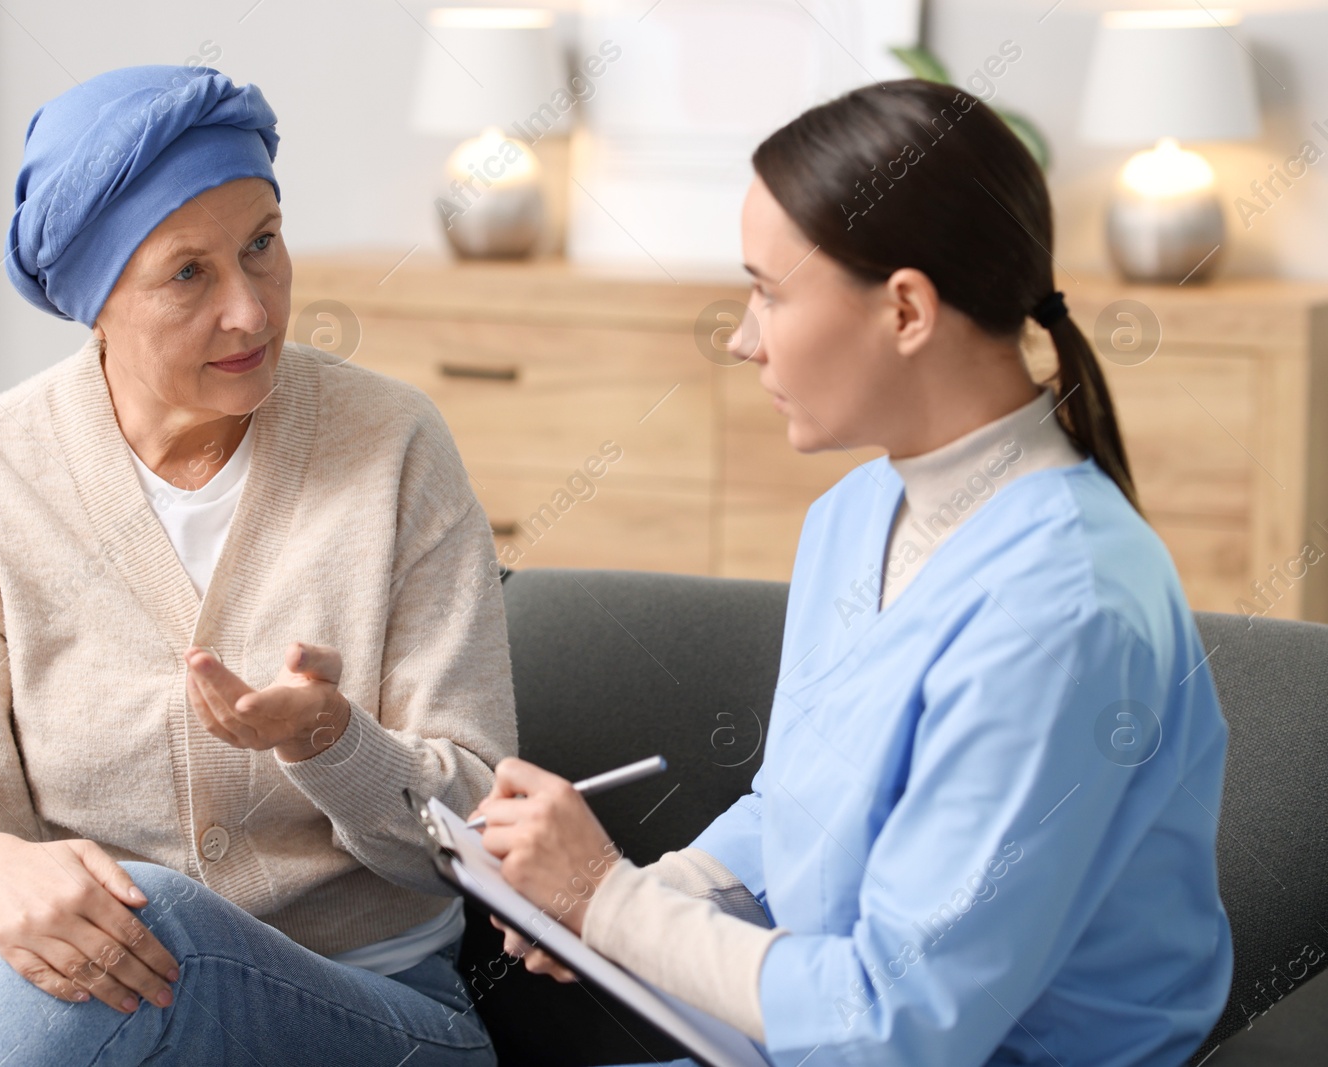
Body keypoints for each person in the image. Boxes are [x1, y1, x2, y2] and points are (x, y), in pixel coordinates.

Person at [472, 79, 1231, 1066]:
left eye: (769, 291)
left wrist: (608, 900)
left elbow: (894, 1023)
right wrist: (634, 895)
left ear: (907, 308)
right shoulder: (856, 515)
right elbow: (801, 811)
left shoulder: (1063, 611)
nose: (743, 338)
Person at [0, 65, 513, 1066]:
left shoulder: (393, 446)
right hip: (99, 1012)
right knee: (114, 935)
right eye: (189, 273)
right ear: (96, 303)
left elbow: (483, 831)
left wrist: (332, 736)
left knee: (147, 917)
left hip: (380, 1012)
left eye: (262, 246)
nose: (250, 309)